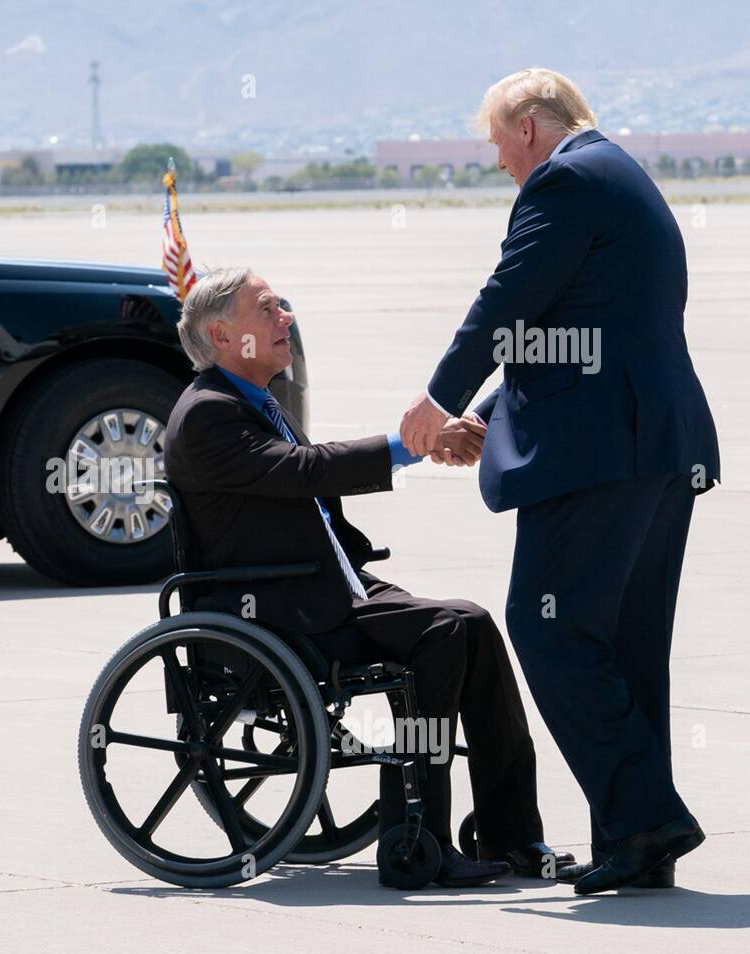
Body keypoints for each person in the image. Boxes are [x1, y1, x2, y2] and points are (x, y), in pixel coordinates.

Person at [398, 69, 720, 894]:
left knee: (546, 626)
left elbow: (510, 303)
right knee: (624, 644)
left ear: (530, 128)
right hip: (654, 447)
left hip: (600, 456)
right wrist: (494, 418)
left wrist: (439, 402)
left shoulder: (565, 179)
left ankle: (647, 816)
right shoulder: (620, 173)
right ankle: (637, 837)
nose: (502, 164)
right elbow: (577, 331)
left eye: (501, 146)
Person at [164, 266, 574, 888]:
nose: (286, 319)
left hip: (321, 584)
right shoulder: (208, 415)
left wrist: (426, 442)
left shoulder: (251, 403)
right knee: (445, 631)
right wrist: (415, 442)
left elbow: (302, 477)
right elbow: (303, 471)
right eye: (269, 309)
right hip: (275, 608)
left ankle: (511, 834)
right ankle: (419, 837)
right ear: (222, 335)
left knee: (475, 626)